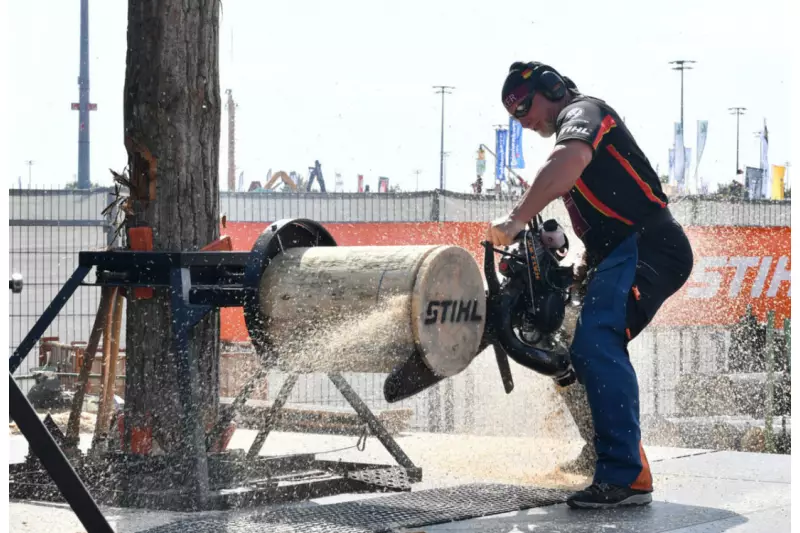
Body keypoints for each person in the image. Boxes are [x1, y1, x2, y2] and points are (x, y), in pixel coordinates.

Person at [486, 61, 694, 509]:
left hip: (644, 246)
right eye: (514, 114)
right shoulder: (568, 132)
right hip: (614, 253)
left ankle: (626, 476)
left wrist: (517, 216)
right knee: (569, 343)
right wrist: (558, 242)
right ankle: (603, 451)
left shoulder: (585, 112)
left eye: (524, 105)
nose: (523, 119)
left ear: (553, 87)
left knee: (596, 342)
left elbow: (570, 160)